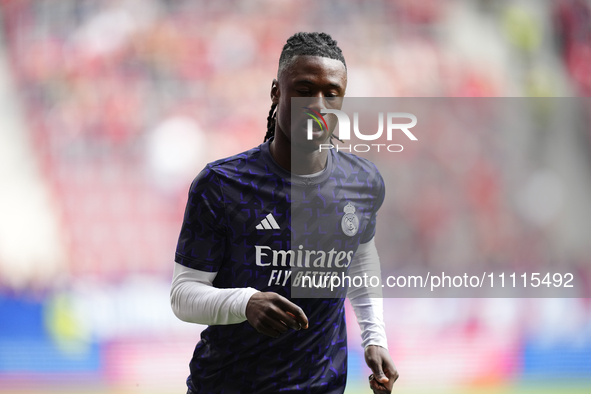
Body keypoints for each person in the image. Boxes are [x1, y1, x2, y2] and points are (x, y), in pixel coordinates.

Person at [171, 32, 398, 394]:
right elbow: (183, 295)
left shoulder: (363, 181)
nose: (318, 104)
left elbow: (359, 256)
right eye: (305, 89)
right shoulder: (221, 184)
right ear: (277, 92)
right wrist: (245, 302)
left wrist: (375, 336)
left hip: (322, 386)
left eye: (331, 93)